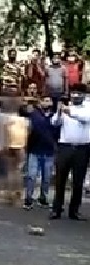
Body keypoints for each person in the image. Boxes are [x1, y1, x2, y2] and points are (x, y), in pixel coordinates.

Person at [50, 83, 90, 220]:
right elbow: (54, 122)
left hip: (82, 148)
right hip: (64, 147)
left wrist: (69, 112)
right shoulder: (66, 107)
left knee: (78, 181)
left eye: (79, 93)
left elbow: (85, 118)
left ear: (84, 95)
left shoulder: (87, 107)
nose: (76, 95)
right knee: (60, 180)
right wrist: (59, 112)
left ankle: (74, 211)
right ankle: (56, 209)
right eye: (73, 93)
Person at [24, 95, 57, 209]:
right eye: (45, 101)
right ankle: (28, 199)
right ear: (40, 102)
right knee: (31, 176)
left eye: (49, 101)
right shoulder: (34, 114)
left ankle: (43, 199)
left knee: (46, 178)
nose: (47, 103)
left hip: (49, 151)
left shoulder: (55, 116)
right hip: (34, 150)